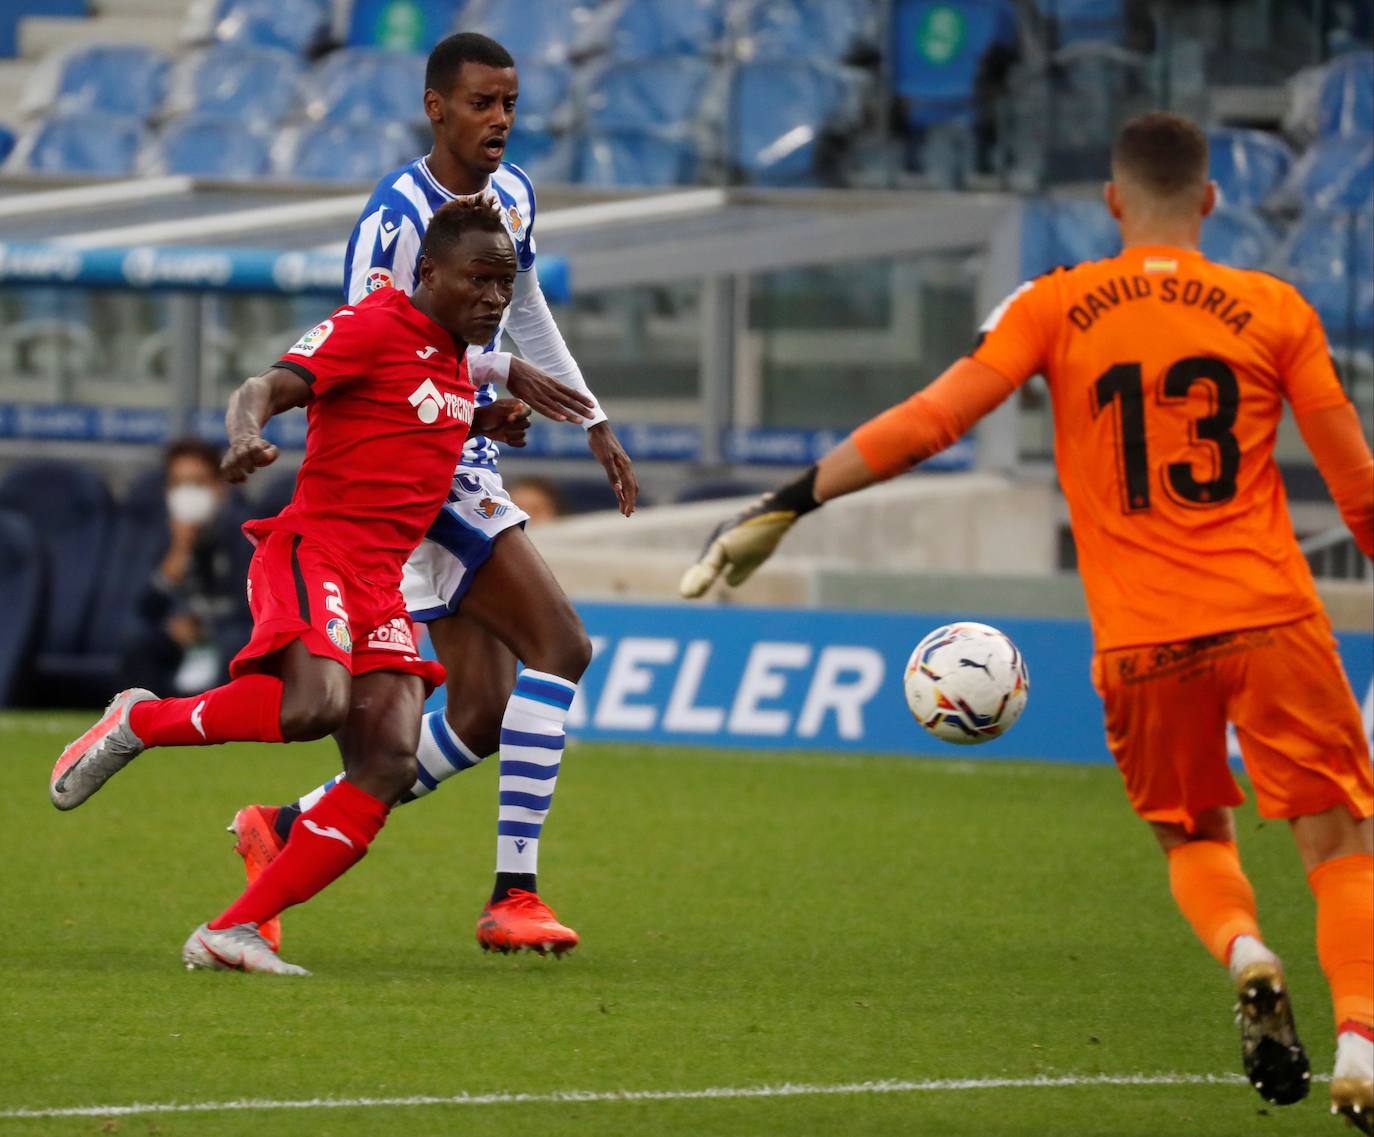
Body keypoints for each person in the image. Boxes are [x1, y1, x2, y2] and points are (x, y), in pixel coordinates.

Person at [679, 112, 1374, 1132]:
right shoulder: (1277, 308)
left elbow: (934, 420)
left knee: (1189, 833)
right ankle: (1360, 1039)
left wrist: (783, 505)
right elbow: (1358, 492)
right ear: (1212, 203)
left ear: (1110, 202)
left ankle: (1245, 952)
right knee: (1342, 841)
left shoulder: (1062, 304)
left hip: (1142, 641)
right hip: (1274, 618)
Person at [49, 198, 561, 975]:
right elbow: (266, 384)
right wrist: (247, 432)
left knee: (386, 763)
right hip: (311, 551)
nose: (496, 297)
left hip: (378, 583)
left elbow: (409, 422)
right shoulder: (370, 324)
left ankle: (233, 930)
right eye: (480, 279)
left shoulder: (456, 357)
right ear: (428, 273)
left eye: (505, 282)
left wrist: (483, 423)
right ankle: (141, 721)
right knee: (311, 705)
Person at [230, 32, 638, 958]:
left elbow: (526, 309)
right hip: (412, 463)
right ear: (436, 108)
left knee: (485, 712)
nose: (499, 119)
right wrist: (481, 396)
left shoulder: (517, 195)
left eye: (510, 104)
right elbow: (376, 347)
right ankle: (515, 894)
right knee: (562, 646)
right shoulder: (395, 217)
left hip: (460, 446)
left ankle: (287, 827)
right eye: (483, 103)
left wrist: (594, 419)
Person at [121, 438, 253, 696]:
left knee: (236, 645)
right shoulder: (161, 534)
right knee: (137, 641)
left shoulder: (244, 534)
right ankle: (138, 721)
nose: (187, 493)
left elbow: (251, 612)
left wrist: (203, 631)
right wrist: (179, 551)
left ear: (219, 487)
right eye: (178, 484)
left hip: (226, 638)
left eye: (197, 483)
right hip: (180, 641)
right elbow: (145, 608)